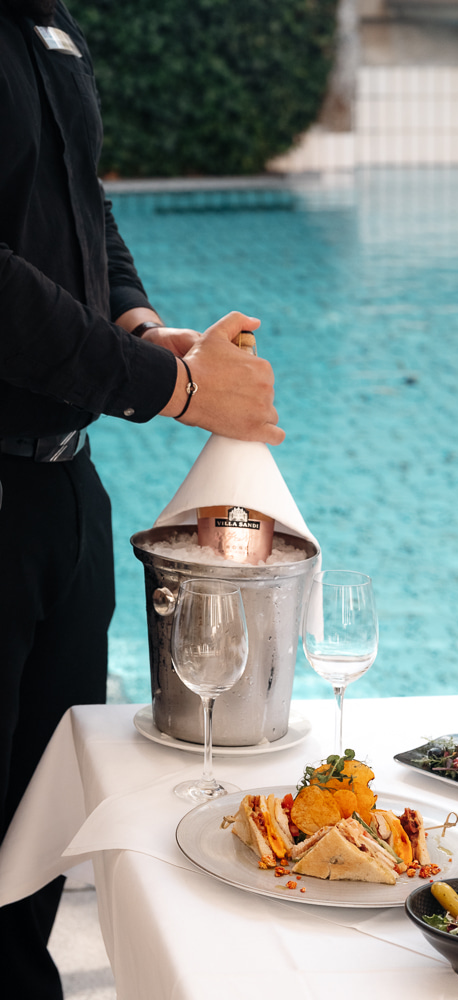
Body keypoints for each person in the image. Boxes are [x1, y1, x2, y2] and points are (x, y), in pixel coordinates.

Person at [0, 1, 284, 995]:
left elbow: (85, 200)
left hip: (65, 493)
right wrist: (169, 388)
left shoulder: (52, 22)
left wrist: (140, 325)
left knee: (33, 845)